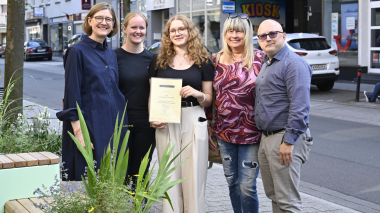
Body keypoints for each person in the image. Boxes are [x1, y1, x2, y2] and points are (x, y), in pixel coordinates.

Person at [148, 14, 214, 213]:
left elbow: (209, 98)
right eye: (172, 30)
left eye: (181, 29)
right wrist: (153, 117)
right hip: (166, 120)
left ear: (189, 31)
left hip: (194, 117)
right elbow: (153, 94)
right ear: (168, 35)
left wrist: (197, 94)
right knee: (169, 175)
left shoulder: (203, 60)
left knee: (194, 174)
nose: (177, 33)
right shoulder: (158, 60)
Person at [57, 2, 127, 181]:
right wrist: (79, 132)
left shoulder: (111, 54)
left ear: (113, 24)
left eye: (109, 19)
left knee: (110, 174)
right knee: (90, 175)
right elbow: (72, 92)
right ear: (89, 21)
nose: (104, 22)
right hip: (91, 123)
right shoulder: (76, 51)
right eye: (100, 18)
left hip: (113, 123)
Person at [206, 13, 265, 213]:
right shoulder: (216, 60)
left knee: (247, 185)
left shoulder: (260, 59)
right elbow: (210, 96)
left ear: (247, 33)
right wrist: (208, 127)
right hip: (223, 133)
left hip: (252, 133)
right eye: (230, 30)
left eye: (239, 30)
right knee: (232, 182)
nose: (234, 35)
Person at [255, 20, 314, 213]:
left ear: (284, 35)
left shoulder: (293, 63)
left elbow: (300, 107)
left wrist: (288, 142)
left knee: (288, 202)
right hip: (268, 138)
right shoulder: (267, 62)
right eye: (263, 36)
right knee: (275, 197)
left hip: (285, 138)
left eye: (273, 34)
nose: (268, 39)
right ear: (258, 40)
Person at [114, 12, 155, 183]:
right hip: (119, 122)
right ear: (124, 29)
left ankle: (139, 206)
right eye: (133, 27)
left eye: (141, 28)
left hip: (146, 123)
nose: (138, 31)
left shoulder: (153, 59)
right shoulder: (113, 56)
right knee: (119, 170)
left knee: (140, 171)